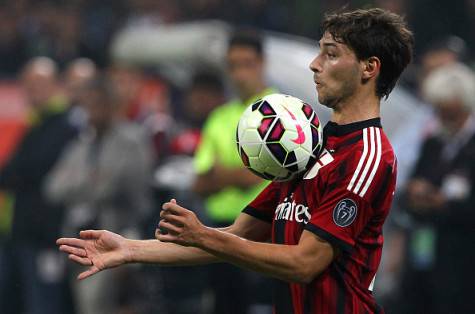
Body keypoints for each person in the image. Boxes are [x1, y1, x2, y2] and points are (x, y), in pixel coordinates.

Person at [57, 8, 414, 313]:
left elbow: (306, 263)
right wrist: (131, 248)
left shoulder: (368, 156)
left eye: (331, 54)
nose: (314, 64)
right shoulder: (311, 146)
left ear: (369, 68)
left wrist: (202, 236)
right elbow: (237, 233)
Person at [45, 76, 154, 314]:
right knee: (84, 304)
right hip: (78, 237)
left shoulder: (132, 139)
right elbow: (53, 187)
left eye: (98, 104)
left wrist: (84, 185)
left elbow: (122, 186)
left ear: (112, 105)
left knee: (105, 305)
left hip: (119, 231)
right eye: (88, 105)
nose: (92, 111)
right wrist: (91, 182)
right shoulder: (82, 142)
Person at [191, 30, 276, 314]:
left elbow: (262, 174)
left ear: (262, 64)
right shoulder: (218, 117)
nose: (239, 73)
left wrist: (222, 174)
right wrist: (242, 173)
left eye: (247, 64)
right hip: (219, 228)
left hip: (266, 229)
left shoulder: (281, 112)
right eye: (233, 65)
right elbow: (201, 182)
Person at [0, 57, 78, 314]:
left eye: (38, 84)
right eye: (28, 85)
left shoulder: (65, 123)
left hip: (46, 235)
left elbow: (30, 168)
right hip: (20, 233)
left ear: (55, 84)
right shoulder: (36, 122)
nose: (32, 91)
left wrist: (12, 174)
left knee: (44, 303)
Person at [399, 62, 475, 314]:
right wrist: (414, 194)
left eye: (449, 111)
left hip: (462, 265)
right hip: (423, 255)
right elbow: (406, 192)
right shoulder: (432, 143)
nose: (442, 118)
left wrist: (445, 204)